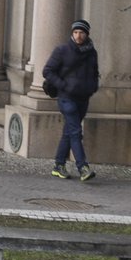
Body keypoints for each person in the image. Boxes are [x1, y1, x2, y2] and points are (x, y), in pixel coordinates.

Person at [43, 19, 101, 182]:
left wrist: (93, 87)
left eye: (81, 32)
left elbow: (95, 71)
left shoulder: (92, 52)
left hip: (83, 97)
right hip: (66, 98)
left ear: (87, 34)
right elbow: (47, 71)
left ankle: (58, 165)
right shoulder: (62, 50)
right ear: (72, 33)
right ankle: (83, 167)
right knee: (76, 132)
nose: (78, 35)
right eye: (75, 32)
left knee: (69, 132)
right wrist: (63, 86)